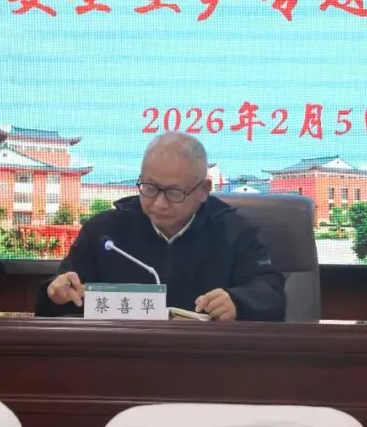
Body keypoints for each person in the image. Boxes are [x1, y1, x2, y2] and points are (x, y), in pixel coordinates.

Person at [35, 132, 286, 321]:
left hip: (206, 362)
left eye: (174, 192)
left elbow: (270, 294)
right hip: (120, 360)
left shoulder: (234, 232)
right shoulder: (105, 232)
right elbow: (61, 290)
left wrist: (237, 302)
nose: (159, 203)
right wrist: (57, 291)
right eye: (150, 188)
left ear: (203, 190)